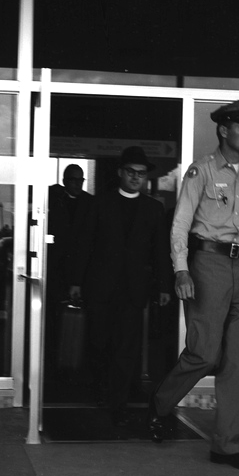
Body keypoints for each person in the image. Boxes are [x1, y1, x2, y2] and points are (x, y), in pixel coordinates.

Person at [147, 100, 239, 471]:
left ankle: (226, 446)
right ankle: (160, 405)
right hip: (208, 266)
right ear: (223, 130)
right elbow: (180, 224)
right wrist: (181, 270)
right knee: (204, 353)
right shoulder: (201, 171)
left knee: (238, 362)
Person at [70, 146, 171, 426]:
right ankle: (100, 392)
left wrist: (164, 286)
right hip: (101, 288)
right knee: (100, 342)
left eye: (141, 173)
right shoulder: (99, 203)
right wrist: (76, 282)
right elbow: (84, 245)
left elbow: (160, 250)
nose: (136, 177)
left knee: (127, 348)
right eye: (131, 172)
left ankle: (118, 402)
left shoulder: (153, 208)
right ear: (120, 173)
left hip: (134, 291)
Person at [46, 164, 94, 378]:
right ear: (65, 180)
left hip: (82, 270)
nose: (76, 184)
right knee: (56, 322)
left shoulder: (89, 203)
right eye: (72, 180)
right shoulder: (54, 199)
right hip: (57, 270)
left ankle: (75, 367)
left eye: (80, 180)